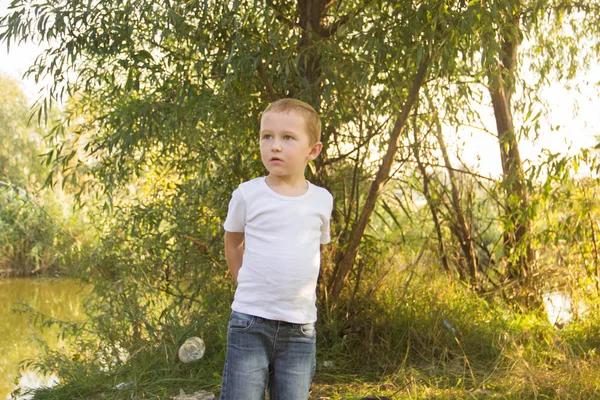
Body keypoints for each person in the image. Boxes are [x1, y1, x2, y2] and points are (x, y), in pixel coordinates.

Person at [220, 98, 333, 400]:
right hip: (250, 322)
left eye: (287, 138)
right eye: (267, 136)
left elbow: (315, 250)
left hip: (300, 328)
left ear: (313, 150)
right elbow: (233, 242)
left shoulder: (322, 200)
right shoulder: (248, 194)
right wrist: (242, 281)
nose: (275, 146)